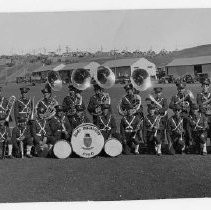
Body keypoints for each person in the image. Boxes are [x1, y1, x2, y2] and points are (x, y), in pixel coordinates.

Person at [169, 82, 193, 153]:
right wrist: (178, 106)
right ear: (177, 89)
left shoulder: (187, 97)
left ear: (184, 89)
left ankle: (187, 147)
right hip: (178, 118)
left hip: (185, 117)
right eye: (179, 89)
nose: (180, 90)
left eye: (182, 89)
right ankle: (178, 147)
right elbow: (170, 105)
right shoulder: (174, 97)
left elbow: (192, 105)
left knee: (187, 132)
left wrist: (186, 107)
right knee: (178, 132)